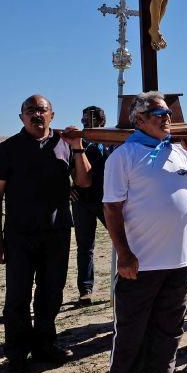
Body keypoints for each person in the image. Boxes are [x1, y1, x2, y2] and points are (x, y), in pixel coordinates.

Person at [102, 92, 187, 373]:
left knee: (168, 334)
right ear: (139, 119)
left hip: (179, 264)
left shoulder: (180, 152)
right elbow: (112, 208)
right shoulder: (124, 156)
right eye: (158, 114)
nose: (167, 119)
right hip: (141, 265)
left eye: (168, 114)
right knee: (131, 336)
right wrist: (123, 255)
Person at [0, 95, 91, 373]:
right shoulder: (8, 149)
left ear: (52, 115)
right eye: (30, 110)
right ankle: (17, 354)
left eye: (41, 110)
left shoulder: (64, 145)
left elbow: (83, 182)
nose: (36, 114)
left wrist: (78, 147)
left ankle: (45, 345)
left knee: (51, 293)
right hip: (20, 235)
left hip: (57, 233)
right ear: (20, 117)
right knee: (17, 297)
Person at [70, 106, 112, 306]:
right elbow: (63, 167)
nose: (86, 123)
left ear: (102, 122)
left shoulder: (110, 142)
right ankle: (85, 289)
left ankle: (125, 280)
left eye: (91, 120)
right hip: (82, 201)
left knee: (122, 240)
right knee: (85, 246)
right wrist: (67, 187)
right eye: (84, 119)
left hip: (107, 199)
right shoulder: (76, 142)